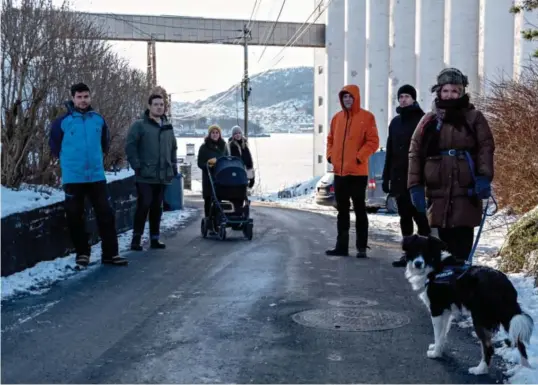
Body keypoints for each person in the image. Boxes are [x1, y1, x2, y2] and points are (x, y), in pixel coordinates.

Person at [408, 68, 495, 264]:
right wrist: (414, 185)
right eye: (446, 90)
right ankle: (445, 288)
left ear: (462, 92)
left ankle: (462, 286)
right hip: (437, 192)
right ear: (439, 91)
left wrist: (484, 177)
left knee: (462, 246)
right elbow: (415, 152)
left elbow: (486, 147)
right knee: (441, 247)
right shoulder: (428, 120)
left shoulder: (474, 117)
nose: (450, 95)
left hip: (467, 190)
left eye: (455, 91)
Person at [49, 83, 128, 267]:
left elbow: (105, 144)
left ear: (90, 97)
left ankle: (110, 254)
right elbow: (54, 146)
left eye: (86, 97)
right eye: (79, 97)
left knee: (106, 214)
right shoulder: (62, 122)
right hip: (73, 177)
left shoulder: (98, 120)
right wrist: (68, 162)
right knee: (75, 217)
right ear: (73, 98)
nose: (83, 100)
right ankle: (82, 254)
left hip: (96, 176)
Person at [326, 84, 380, 258]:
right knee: (342, 212)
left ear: (356, 98)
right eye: (344, 97)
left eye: (350, 96)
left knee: (359, 210)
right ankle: (341, 247)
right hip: (340, 173)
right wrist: (330, 157)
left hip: (357, 173)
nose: (347, 100)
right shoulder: (336, 118)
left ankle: (361, 247)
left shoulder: (367, 117)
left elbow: (373, 142)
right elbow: (330, 140)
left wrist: (359, 157)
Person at [382, 84, 431, 267]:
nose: (403, 100)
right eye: (401, 97)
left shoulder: (423, 119)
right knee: (404, 217)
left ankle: (426, 254)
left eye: (407, 97)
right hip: (398, 177)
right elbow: (390, 152)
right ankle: (408, 254)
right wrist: (387, 177)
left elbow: (428, 151)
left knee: (421, 217)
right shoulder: (395, 123)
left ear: (414, 98)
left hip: (417, 178)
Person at [125, 94, 178, 251]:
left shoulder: (167, 126)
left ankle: (155, 238)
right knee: (144, 205)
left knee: (157, 207)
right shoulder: (139, 125)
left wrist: (173, 165)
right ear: (149, 106)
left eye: (161, 104)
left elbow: (173, 147)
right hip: (145, 174)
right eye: (156, 104)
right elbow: (130, 146)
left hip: (162, 175)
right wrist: (137, 165)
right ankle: (136, 239)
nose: (159, 107)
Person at [197, 124, 229, 223]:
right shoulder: (204, 147)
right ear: (209, 134)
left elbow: (227, 158)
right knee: (208, 199)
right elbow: (199, 162)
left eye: (217, 133)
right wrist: (208, 164)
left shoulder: (224, 146)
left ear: (219, 134)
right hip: (208, 177)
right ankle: (209, 220)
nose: (215, 135)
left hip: (220, 176)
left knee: (219, 198)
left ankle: (219, 219)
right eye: (213, 133)